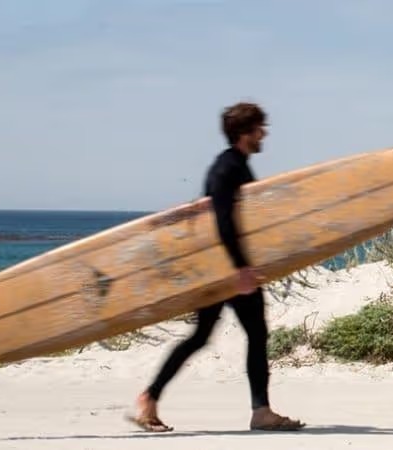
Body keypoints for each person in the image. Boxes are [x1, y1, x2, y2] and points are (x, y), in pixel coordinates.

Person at [128, 102, 305, 432]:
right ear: (243, 133)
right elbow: (222, 220)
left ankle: (149, 398)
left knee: (203, 337)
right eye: (258, 128)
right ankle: (261, 411)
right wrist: (241, 269)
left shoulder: (235, 165)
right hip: (225, 270)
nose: (264, 133)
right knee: (254, 334)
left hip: (218, 267)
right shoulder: (228, 168)